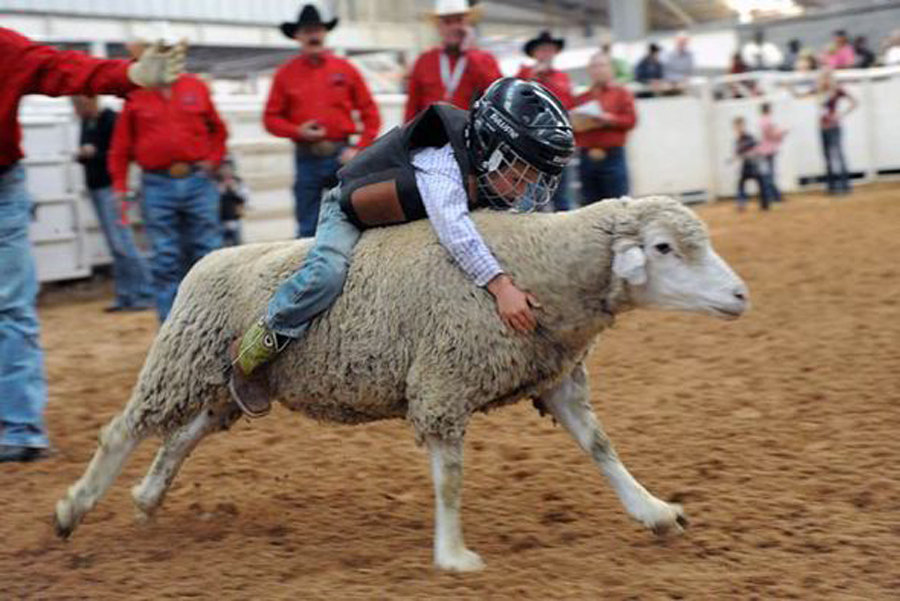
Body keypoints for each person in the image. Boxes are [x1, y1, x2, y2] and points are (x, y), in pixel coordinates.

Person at [228, 78, 574, 417]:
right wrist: (499, 285)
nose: (522, 192)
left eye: (533, 180)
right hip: (349, 213)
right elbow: (456, 231)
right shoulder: (441, 169)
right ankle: (254, 351)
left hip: (403, 226)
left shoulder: (486, 173)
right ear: (492, 153)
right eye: (518, 177)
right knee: (326, 274)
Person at [0, 27, 183, 462]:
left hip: (3, 184)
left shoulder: (5, 48)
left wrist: (131, 74)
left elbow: (64, 67)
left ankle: (20, 428)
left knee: (9, 305)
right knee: (10, 306)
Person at [109, 38, 228, 323]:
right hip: (157, 183)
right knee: (165, 258)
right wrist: (120, 188)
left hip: (196, 179)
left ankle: (214, 323)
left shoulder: (195, 87)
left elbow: (218, 131)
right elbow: (121, 147)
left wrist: (213, 160)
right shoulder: (136, 95)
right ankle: (171, 329)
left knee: (207, 253)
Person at [265, 3, 381, 238]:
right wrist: (298, 131)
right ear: (298, 36)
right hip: (306, 158)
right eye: (307, 31)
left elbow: (371, 113)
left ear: (325, 33)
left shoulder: (345, 69)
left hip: (343, 156)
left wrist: (359, 149)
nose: (313, 36)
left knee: (354, 219)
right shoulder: (285, 74)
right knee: (306, 227)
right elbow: (270, 119)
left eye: (317, 30)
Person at [71, 95, 155, 312]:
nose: (75, 109)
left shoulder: (111, 119)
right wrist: (85, 154)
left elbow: (119, 154)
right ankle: (126, 295)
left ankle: (143, 292)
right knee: (117, 245)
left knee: (123, 244)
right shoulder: (88, 122)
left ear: (90, 101)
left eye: (78, 104)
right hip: (98, 187)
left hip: (111, 188)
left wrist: (93, 153)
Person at [404, 0, 502, 122]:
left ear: (468, 24)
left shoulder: (484, 59)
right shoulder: (425, 60)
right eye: (447, 22)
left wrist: (470, 52)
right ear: (439, 27)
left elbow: (496, 95)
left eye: (459, 21)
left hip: (468, 133)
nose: (454, 27)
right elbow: (412, 105)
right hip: (430, 133)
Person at [516, 30, 573, 211]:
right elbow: (515, 100)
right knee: (530, 195)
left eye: (549, 49)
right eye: (542, 50)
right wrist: (532, 78)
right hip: (531, 144)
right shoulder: (524, 73)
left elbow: (567, 104)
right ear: (535, 53)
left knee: (562, 196)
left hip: (556, 143)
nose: (546, 54)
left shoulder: (561, 77)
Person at [570, 52, 637, 206]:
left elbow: (631, 121)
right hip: (586, 157)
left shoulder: (622, 94)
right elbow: (573, 127)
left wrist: (611, 119)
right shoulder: (581, 98)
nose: (598, 70)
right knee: (590, 207)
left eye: (602, 65)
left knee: (619, 206)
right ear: (589, 71)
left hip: (612, 156)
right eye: (594, 66)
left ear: (611, 69)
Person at [731, 116, 772, 212]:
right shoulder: (738, 140)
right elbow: (738, 153)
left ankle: (764, 203)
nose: (738, 128)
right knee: (741, 184)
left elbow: (757, 149)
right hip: (746, 165)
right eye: (736, 126)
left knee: (761, 183)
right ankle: (741, 203)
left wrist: (748, 154)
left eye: (739, 125)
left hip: (754, 164)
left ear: (743, 126)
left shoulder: (749, 137)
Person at [755, 103, 787, 202]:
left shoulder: (761, 120)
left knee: (768, 173)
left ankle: (772, 194)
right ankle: (774, 195)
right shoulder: (768, 120)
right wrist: (782, 133)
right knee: (770, 173)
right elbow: (771, 135)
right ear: (768, 109)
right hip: (769, 150)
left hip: (763, 149)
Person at [217, 159, 248, 247]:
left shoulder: (238, 182)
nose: (226, 171)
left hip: (235, 219)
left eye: (228, 168)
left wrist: (234, 189)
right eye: (223, 168)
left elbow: (244, 198)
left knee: (236, 242)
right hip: (220, 220)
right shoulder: (216, 183)